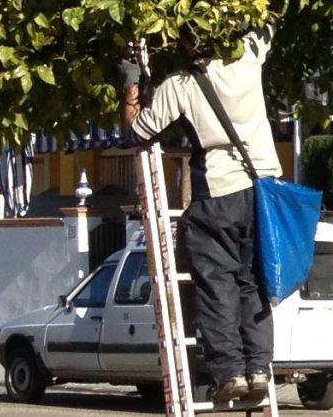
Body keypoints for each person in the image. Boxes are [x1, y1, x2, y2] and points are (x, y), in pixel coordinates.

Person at [120, 25, 281, 403]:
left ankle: (229, 374)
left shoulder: (181, 84)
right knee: (254, 283)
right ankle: (258, 368)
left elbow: (138, 132)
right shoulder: (249, 53)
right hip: (264, 193)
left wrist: (131, 80)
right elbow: (268, 23)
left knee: (216, 285)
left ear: (187, 40)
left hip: (218, 194)